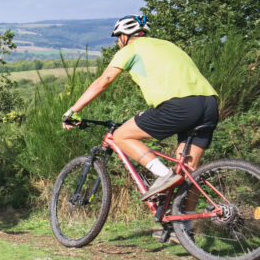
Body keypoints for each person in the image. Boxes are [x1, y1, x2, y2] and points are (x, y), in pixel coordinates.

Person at [63, 15, 219, 200]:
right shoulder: (169, 45)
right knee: (187, 171)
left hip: (179, 105)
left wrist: (73, 110)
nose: (118, 43)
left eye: (117, 38)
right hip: (209, 103)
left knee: (121, 135)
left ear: (124, 36)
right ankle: (182, 224)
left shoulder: (131, 49)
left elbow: (102, 82)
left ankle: (163, 174)